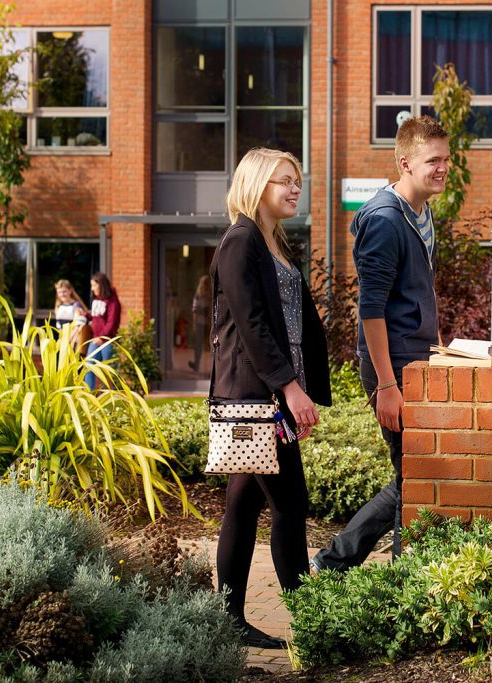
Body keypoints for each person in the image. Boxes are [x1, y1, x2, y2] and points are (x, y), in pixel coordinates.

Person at [310, 115, 447, 574]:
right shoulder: (387, 221)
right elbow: (370, 311)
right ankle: (355, 569)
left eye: (447, 159)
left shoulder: (422, 212)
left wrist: (441, 346)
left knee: (412, 474)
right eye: (434, 160)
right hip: (393, 367)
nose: (443, 168)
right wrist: (386, 384)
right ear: (406, 163)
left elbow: (420, 292)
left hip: (417, 359)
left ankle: (337, 563)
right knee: (414, 476)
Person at [210, 148, 331, 648]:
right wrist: (291, 389)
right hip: (258, 397)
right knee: (290, 502)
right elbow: (253, 326)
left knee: (241, 504)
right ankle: (311, 623)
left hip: (268, 395)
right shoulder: (241, 242)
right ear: (257, 184)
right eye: (284, 180)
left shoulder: (271, 242)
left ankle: (228, 620)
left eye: (297, 180)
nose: (294, 188)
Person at [85, 272, 122, 389]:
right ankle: (90, 395)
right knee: (89, 366)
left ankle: (112, 396)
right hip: (95, 340)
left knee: (109, 370)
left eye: (94, 286)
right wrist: (86, 315)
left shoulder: (113, 302)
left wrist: (102, 337)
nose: (92, 289)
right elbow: (96, 317)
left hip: (107, 341)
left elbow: (111, 322)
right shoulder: (97, 300)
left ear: (101, 285)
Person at [53, 279, 89, 350]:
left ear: (70, 291)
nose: (62, 294)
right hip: (63, 340)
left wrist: (69, 339)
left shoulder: (76, 306)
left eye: (64, 291)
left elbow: (79, 325)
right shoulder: (59, 306)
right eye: (59, 292)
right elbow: (59, 325)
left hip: (74, 341)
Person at [189, 274, 210, 373]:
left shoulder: (204, 295)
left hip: (202, 323)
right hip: (203, 323)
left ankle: (198, 365)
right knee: (201, 344)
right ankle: (198, 365)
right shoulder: (201, 295)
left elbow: (195, 310)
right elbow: (195, 310)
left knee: (201, 345)